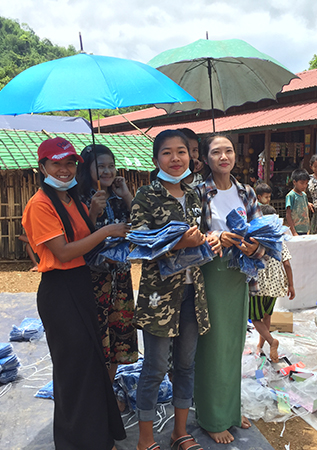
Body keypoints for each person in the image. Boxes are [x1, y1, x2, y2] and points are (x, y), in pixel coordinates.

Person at [21, 137, 128, 449]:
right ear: (43, 166)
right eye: (56, 163)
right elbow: (65, 252)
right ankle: (74, 441)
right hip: (59, 290)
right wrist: (105, 231)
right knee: (72, 370)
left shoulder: (72, 200)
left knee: (91, 364)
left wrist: (93, 216)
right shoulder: (40, 204)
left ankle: (95, 436)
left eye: (69, 163)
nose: (64, 169)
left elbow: (80, 236)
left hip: (81, 285)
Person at [132, 130, 219, 450]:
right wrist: (182, 242)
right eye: (167, 153)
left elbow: (203, 235)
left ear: (190, 157)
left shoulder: (195, 195)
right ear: (156, 160)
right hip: (159, 296)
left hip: (192, 293)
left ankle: (179, 432)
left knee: (185, 365)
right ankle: (144, 439)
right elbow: (139, 244)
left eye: (181, 152)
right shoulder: (146, 196)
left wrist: (210, 241)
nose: (175, 159)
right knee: (155, 367)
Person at [194, 132, 263, 444]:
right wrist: (213, 238)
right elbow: (188, 234)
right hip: (210, 274)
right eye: (216, 152)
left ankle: (231, 410)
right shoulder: (197, 190)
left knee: (235, 342)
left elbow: (263, 234)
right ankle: (211, 417)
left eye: (229, 151)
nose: (224, 157)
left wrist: (254, 247)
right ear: (206, 158)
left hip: (239, 275)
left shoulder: (245, 191)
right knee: (214, 345)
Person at [76, 144, 139, 382]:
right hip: (93, 279)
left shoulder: (118, 196)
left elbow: (141, 224)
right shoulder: (78, 198)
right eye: (100, 166)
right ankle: (97, 392)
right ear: (86, 169)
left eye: (111, 165)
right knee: (96, 335)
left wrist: (126, 195)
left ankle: (109, 388)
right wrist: (92, 213)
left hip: (121, 276)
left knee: (119, 336)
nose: (107, 171)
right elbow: (78, 240)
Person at [250, 204, 295, 363]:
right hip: (276, 283)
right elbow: (287, 264)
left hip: (258, 284)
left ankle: (271, 341)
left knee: (255, 318)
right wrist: (291, 285)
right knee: (267, 316)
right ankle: (261, 345)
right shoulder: (279, 239)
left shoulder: (255, 239)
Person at [285, 168, 311, 236]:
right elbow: (288, 214)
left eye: (306, 183)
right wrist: (293, 231)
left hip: (305, 229)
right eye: (302, 183)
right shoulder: (291, 196)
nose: (304, 186)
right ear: (294, 182)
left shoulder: (304, 195)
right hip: (296, 229)